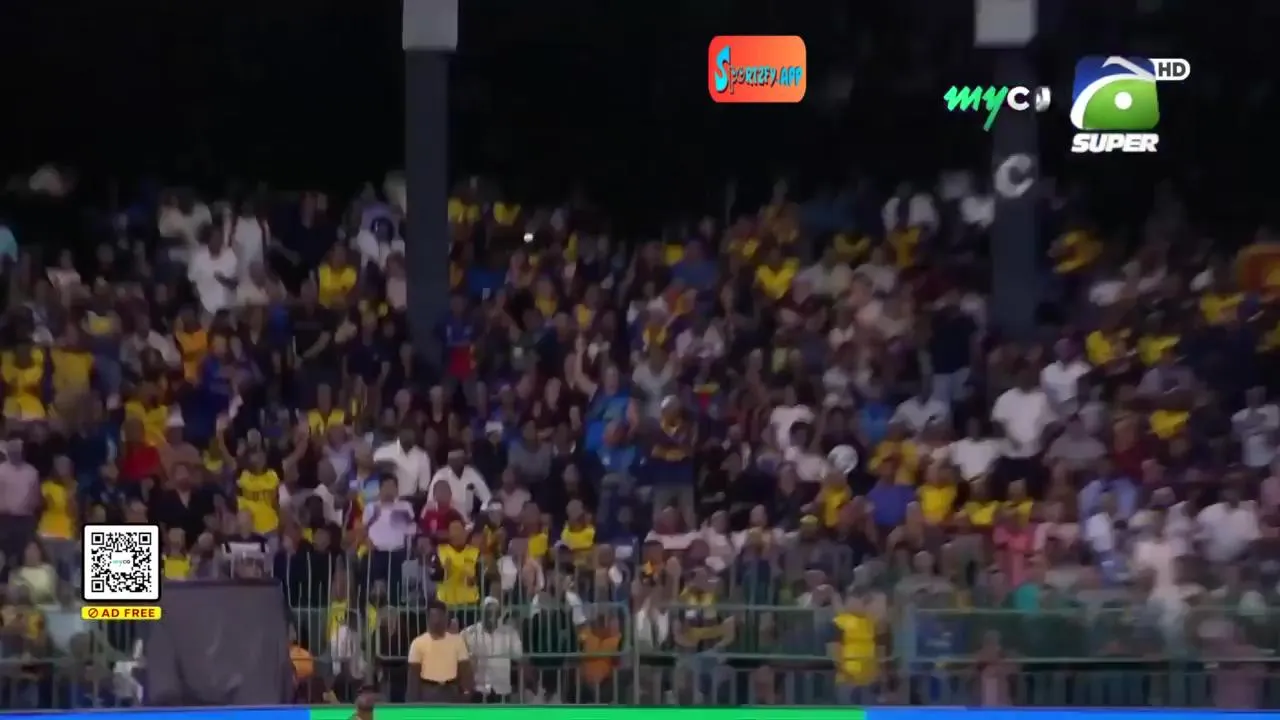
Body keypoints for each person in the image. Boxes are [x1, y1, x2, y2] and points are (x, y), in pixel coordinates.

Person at [407, 599, 473, 703]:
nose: (437, 621)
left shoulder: (457, 641)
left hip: (451, 691)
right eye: (433, 617)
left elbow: (465, 670)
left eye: (440, 616)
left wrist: (466, 693)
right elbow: (413, 677)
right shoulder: (417, 643)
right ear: (428, 619)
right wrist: (413, 702)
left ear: (446, 618)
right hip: (427, 692)